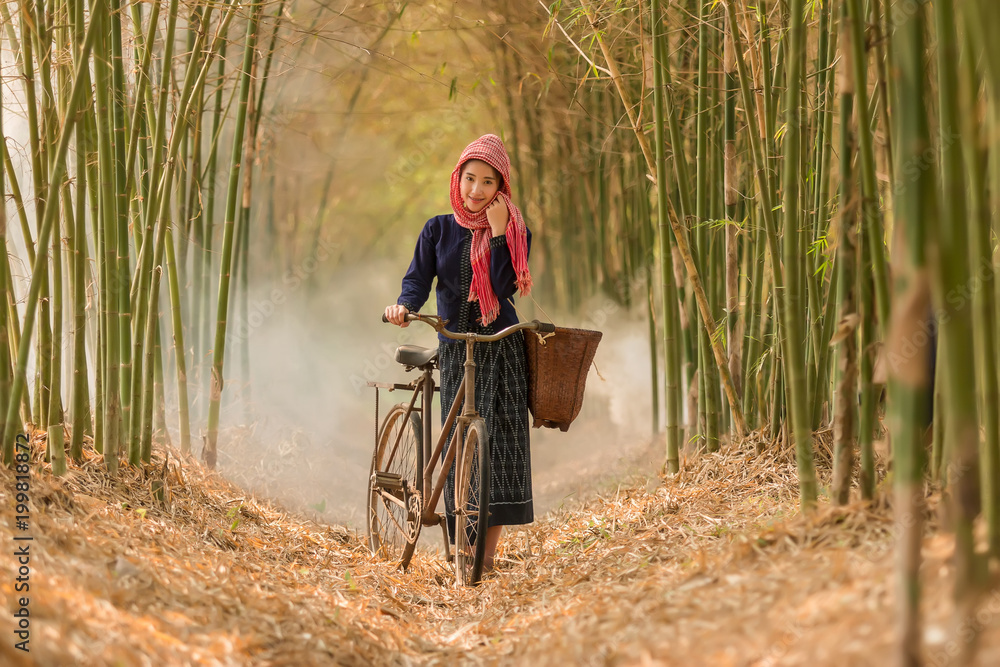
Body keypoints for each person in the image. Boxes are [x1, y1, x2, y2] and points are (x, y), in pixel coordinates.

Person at [384, 134, 533, 572]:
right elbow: (417, 281)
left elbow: (505, 286)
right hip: (455, 349)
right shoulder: (438, 229)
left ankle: (484, 560)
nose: (476, 190)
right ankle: (459, 552)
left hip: (500, 349)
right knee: (455, 447)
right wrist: (404, 307)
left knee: (500, 450)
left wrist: (503, 232)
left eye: (488, 182)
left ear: (500, 187)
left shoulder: (518, 231)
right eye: (470, 178)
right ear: (458, 178)